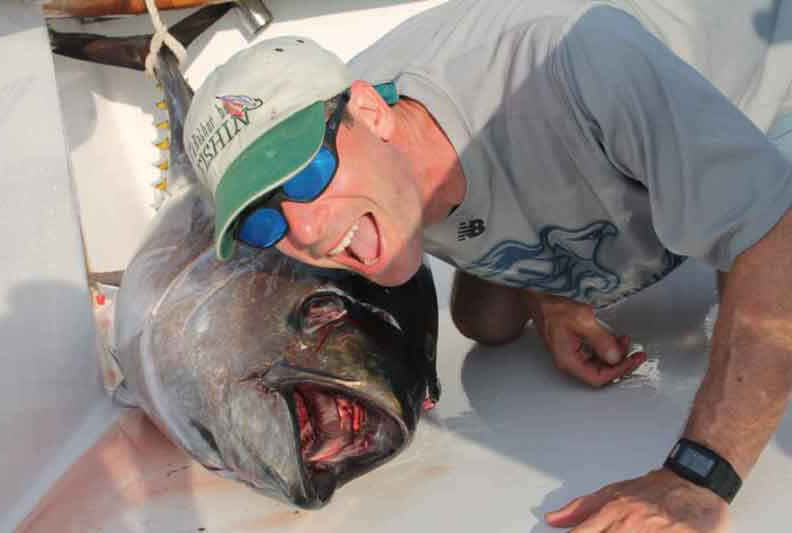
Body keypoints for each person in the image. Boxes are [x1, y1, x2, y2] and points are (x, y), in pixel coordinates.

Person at [183, 0, 792, 530]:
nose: (309, 232)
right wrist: (550, 294)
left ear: (370, 112)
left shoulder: (573, 58)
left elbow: (775, 234)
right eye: (266, 220)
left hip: (771, 87)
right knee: (486, 319)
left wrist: (699, 478)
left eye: (310, 172)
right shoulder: (374, 162)